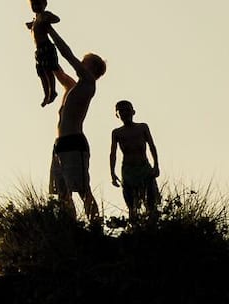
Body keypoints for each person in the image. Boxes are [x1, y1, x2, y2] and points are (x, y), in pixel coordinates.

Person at [44, 26, 104, 226]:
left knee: (82, 189)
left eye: (84, 63)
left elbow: (66, 54)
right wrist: (40, 35)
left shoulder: (88, 83)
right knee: (62, 191)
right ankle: (69, 226)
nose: (79, 64)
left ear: (92, 69)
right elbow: (57, 70)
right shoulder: (72, 86)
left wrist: (50, 29)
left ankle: (95, 225)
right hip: (60, 143)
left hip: (74, 142)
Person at [109, 100, 162, 220]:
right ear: (117, 114)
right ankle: (134, 228)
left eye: (127, 110)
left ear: (133, 112)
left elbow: (152, 146)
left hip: (144, 167)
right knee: (132, 206)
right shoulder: (117, 133)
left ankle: (153, 226)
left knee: (151, 202)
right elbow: (113, 153)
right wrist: (112, 173)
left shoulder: (142, 127)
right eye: (121, 111)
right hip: (128, 170)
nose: (124, 113)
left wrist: (156, 165)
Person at [27, 0, 63, 107]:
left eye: (38, 4)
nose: (36, 6)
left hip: (46, 46)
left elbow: (57, 19)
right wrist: (31, 25)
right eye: (34, 5)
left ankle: (52, 91)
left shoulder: (44, 15)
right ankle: (46, 93)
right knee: (41, 73)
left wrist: (48, 19)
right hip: (38, 50)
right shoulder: (36, 19)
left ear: (44, 5)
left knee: (48, 70)